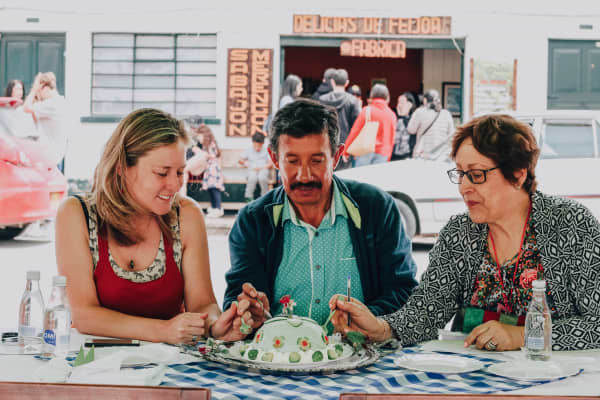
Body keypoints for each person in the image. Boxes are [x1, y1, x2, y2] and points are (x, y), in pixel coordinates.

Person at [329, 114, 600, 352]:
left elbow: (597, 323)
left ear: (518, 175)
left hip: (558, 381)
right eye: (460, 174)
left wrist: (524, 335)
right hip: (474, 379)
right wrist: (378, 326)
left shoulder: (570, 224)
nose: (464, 187)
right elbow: (424, 314)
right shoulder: (461, 233)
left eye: (477, 175)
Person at [55, 108, 250, 344]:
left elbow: (202, 304)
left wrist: (216, 325)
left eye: (180, 172)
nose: (175, 184)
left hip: (170, 365)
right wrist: (162, 331)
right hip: (93, 362)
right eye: (161, 173)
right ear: (121, 168)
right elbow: (84, 315)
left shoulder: (186, 215)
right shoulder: (76, 214)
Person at [223, 99, 418, 335]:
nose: (304, 176)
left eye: (317, 161)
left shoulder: (376, 209)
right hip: (277, 358)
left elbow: (404, 290)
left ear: (336, 157)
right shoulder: (252, 221)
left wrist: (368, 318)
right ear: (274, 159)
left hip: (361, 356)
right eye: (292, 161)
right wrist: (249, 311)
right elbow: (237, 299)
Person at [22, 72, 69, 173]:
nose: (39, 96)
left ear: (44, 87)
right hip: (54, 157)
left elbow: (25, 107)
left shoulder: (51, 104)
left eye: (39, 92)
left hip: (48, 159)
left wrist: (34, 90)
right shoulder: (60, 101)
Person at [343, 84, 397, 167]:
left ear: (372, 95)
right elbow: (392, 138)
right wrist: (388, 155)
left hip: (364, 151)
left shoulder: (367, 110)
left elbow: (355, 132)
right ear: (387, 96)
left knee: (360, 178)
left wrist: (346, 151)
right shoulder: (392, 115)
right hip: (383, 153)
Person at [319, 69, 360, 170]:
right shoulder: (353, 101)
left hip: (326, 144)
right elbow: (357, 126)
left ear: (332, 82)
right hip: (345, 147)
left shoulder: (322, 99)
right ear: (347, 83)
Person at [407, 89, 454, 161]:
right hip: (441, 154)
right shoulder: (446, 114)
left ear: (425, 100)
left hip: (423, 153)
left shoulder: (420, 112)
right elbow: (451, 134)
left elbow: (411, 130)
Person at [239, 132, 272, 202]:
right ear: (253, 142)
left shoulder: (266, 149)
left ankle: (264, 197)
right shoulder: (249, 149)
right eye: (255, 146)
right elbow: (240, 160)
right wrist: (246, 163)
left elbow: (270, 164)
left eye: (259, 146)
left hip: (263, 169)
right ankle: (249, 197)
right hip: (252, 169)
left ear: (263, 143)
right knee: (252, 178)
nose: (257, 148)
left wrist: (261, 168)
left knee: (262, 178)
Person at [200, 126, 225, 218]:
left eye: (200, 136)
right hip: (209, 169)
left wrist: (203, 154)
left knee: (215, 189)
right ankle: (214, 208)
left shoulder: (211, 144)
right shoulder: (205, 145)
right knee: (211, 189)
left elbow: (214, 156)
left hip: (213, 169)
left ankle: (218, 208)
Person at [391, 92, 417, 161]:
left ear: (410, 105)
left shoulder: (414, 120)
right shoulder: (394, 118)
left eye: (402, 103)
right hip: (393, 157)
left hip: (407, 157)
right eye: (398, 102)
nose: (399, 105)